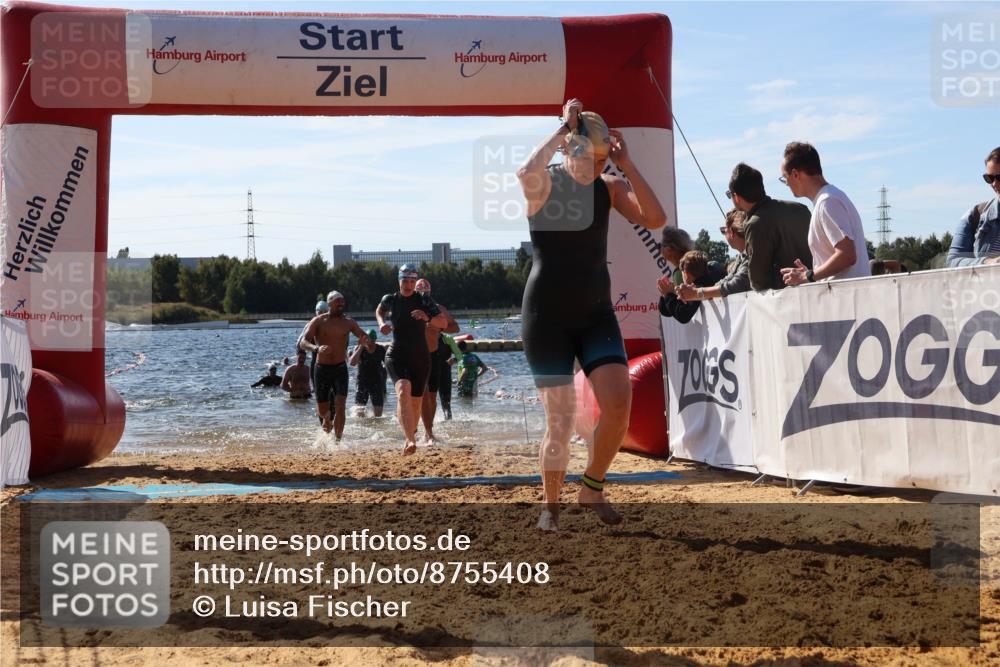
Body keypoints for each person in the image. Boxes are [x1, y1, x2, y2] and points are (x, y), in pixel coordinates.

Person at [517, 98, 667, 531]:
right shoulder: (545, 184)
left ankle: (591, 488)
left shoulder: (610, 187)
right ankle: (550, 506)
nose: (596, 167)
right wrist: (561, 131)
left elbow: (656, 218)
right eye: (589, 157)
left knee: (619, 402)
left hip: (595, 312)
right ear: (570, 149)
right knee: (559, 421)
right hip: (546, 317)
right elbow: (523, 173)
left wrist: (628, 165)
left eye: (603, 159)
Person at [376, 264, 450, 455]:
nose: (408, 285)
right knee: (403, 390)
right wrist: (382, 324)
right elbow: (379, 311)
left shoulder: (424, 301)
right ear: (399, 280)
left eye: (411, 281)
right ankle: (410, 440)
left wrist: (427, 318)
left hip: (420, 356)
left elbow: (443, 323)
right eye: (405, 280)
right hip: (396, 354)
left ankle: (410, 431)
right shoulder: (390, 299)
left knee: (415, 402)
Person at [778, 142, 871, 285]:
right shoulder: (831, 198)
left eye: (785, 177)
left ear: (795, 174)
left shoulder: (827, 202)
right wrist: (812, 273)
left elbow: (847, 256)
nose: (786, 184)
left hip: (845, 301)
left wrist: (807, 276)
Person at [726, 162, 812, 291]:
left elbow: (758, 281)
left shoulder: (755, 224)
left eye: (730, 195)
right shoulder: (800, 208)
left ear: (736, 197)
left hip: (785, 299)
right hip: (818, 289)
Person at [301, 291, 370, 438]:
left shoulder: (349, 322)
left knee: (340, 406)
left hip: (340, 368)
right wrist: (316, 348)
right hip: (321, 369)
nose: (341, 304)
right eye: (338, 301)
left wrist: (366, 341)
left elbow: (363, 336)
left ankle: (338, 441)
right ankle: (326, 418)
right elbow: (303, 342)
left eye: (343, 301)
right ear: (330, 303)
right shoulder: (318, 321)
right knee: (322, 409)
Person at [415, 278, 460, 444]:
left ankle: (429, 431)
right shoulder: (411, 309)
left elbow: (455, 327)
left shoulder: (439, 309)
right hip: (416, 356)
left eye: (426, 292)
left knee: (432, 397)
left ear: (430, 292)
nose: (423, 295)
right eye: (420, 292)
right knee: (421, 395)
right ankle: (423, 431)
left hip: (434, 355)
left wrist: (439, 325)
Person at [675, 208, 751, 303]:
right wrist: (695, 291)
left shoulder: (752, 256)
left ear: (731, 233)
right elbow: (727, 280)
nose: (723, 234)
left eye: (723, 230)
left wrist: (697, 293)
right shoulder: (742, 256)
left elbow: (735, 285)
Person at [946, 146, 1000, 267]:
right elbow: (952, 262)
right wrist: (987, 262)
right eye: (989, 178)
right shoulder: (974, 216)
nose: (994, 183)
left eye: (999, 177)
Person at [658, 251, 715, 323]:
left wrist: (667, 294)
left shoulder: (698, 288)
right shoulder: (705, 283)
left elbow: (683, 315)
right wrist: (667, 294)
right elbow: (668, 312)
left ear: (686, 274)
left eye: (681, 272)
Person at [660, 227, 725, 286]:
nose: (659, 249)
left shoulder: (679, 273)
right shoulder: (701, 265)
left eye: (660, 245)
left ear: (669, 250)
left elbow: (681, 298)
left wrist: (668, 294)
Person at [349, 328, 388, 417]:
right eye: (366, 339)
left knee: (378, 416)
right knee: (359, 414)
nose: (369, 342)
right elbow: (352, 363)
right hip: (362, 382)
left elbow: (388, 364)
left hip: (377, 382)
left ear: (375, 340)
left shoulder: (380, 349)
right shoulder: (359, 349)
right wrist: (361, 347)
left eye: (371, 340)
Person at [299, 298, 330, 392]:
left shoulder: (333, 324)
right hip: (317, 362)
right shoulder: (311, 324)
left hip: (332, 363)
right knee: (318, 392)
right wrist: (301, 357)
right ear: (317, 312)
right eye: (320, 312)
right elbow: (300, 343)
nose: (323, 314)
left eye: (325, 311)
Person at [438, 333, 462, 420]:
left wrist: (454, 359)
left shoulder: (447, 338)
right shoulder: (424, 335)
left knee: (446, 400)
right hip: (429, 371)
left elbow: (459, 356)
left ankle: (448, 421)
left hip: (445, 370)